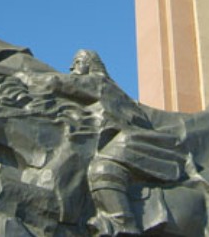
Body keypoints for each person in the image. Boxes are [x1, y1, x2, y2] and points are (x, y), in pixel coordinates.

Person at [34, 50, 183, 236]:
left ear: (90, 64)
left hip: (133, 139)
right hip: (119, 138)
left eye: (78, 62)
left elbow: (58, 83)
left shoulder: (99, 82)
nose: (72, 67)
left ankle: (123, 224)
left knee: (102, 168)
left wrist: (22, 76)